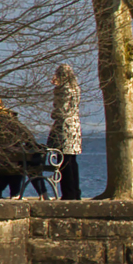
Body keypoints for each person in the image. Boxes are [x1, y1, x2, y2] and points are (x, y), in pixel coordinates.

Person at [47, 64, 83, 200]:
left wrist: (54, 114)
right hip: (74, 125)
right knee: (72, 160)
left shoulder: (63, 90)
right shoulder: (76, 89)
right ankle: (75, 192)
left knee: (64, 160)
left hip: (64, 127)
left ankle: (68, 192)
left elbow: (60, 110)